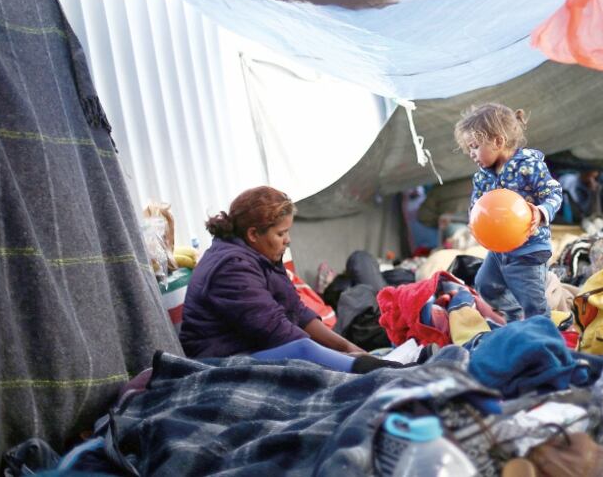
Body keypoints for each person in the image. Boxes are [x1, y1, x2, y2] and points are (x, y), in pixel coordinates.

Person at [180, 186, 403, 373]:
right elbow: (277, 331)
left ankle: (381, 367)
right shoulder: (231, 267)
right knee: (303, 350)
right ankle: (382, 371)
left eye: (287, 232)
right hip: (219, 361)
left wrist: (347, 347)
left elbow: (296, 310)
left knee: (318, 349)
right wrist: (348, 359)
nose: (288, 240)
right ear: (253, 234)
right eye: (281, 233)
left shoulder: (259, 255)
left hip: (252, 347)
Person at [455, 103, 563, 321]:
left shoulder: (529, 165)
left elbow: (553, 193)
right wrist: (474, 223)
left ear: (498, 141)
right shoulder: (482, 176)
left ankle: (542, 331)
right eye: (469, 149)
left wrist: (541, 212)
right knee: (485, 284)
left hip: (529, 248)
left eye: (474, 146)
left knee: (531, 300)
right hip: (499, 249)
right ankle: (516, 316)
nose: (472, 154)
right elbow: (477, 205)